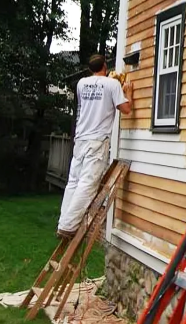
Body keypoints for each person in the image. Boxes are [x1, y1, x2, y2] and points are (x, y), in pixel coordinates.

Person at [57, 53, 133, 238]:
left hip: (81, 139)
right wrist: (128, 93)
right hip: (97, 141)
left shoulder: (81, 84)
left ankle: (63, 222)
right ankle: (68, 226)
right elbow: (126, 110)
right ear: (105, 67)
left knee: (73, 181)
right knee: (88, 183)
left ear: (90, 69)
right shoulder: (112, 85)